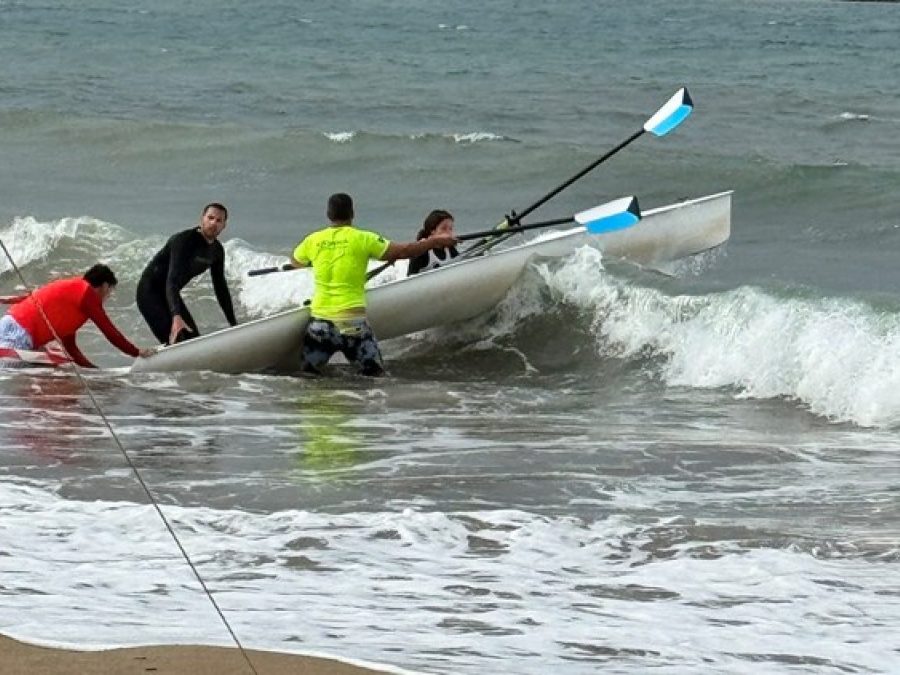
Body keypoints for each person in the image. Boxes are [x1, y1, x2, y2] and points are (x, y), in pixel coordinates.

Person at [291, 192, 457, 376]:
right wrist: (434, 241)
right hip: (353, 325)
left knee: (308, 377)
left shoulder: (312, 241)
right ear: (352, 214)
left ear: (328, 215)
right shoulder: (363, 238)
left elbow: (296, 262)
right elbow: (404, 251)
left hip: (319, 326)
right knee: (375, 378)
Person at [0, 264, 156, 368]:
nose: (108, 296)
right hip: (19, 333)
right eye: (109, 291)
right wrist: (137, 352)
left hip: (11, 325)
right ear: (104, 286)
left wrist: (95, 372)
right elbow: (109, 330)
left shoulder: (73, 298)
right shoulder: (87, 293)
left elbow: (71, 349)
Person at [136, 203, 238, 345]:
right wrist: (176, 316)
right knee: (178, 340)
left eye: (219, 220)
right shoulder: (183, 240)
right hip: (149, 292)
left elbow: (221, 288)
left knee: (193, 341)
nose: (214, 223)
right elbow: (171, 280)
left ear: (224, 225)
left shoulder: (217, 251)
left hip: (170, 295)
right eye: (210, 218)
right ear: (202, 219)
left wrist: (234, 325)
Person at [406, 209, 459, 276]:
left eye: (450, 229)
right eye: (444, 228)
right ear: (432, 230)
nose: (449, 233)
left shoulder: (450, 249)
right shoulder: (421, 252)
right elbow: (409, 278)